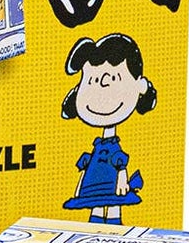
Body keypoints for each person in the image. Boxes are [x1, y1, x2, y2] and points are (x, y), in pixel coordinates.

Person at [60, 34, 157, 224]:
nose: (102, 89)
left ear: (139, 86)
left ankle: (114, 227)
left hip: (113, 182)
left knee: (114, 206)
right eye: (91, 81)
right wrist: (79, 187)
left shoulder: (114, 148)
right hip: (92, 184)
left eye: (112, 78)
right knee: (95, 207)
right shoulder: (97, 146)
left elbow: (120, 165)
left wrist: (122, 178)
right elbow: (85, 169)